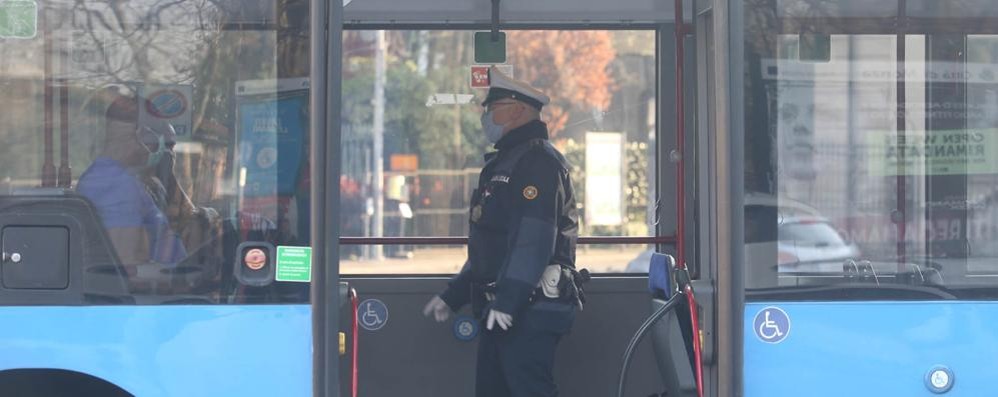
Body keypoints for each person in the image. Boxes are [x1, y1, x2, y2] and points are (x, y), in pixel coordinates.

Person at [423, 67, 582, 397]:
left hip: (529, 308)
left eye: (493, 108)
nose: (486, 116)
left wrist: (508, 301)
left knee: (529, 389)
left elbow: (534, 242)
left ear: (519, 110)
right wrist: (454, 295)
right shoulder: (504, 163)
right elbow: (491, 247)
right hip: (503, 308)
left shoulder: (538, 162)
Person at [77, 88, 188, 266]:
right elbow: (126, 267)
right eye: (162, 144)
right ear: (140, 136)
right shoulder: (115, 186)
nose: (164, 154)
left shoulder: (120, 180)